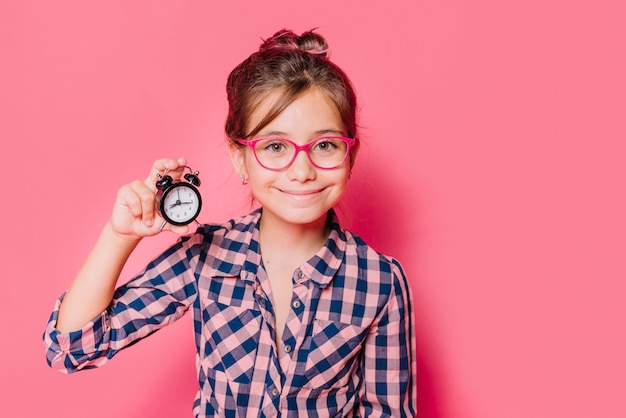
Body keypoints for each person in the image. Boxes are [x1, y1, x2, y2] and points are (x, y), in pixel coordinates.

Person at [43, 28, 416, 417]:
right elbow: (71, 349)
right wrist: (119, 236)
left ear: (349, 154)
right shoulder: (203, 257)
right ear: (240, 158)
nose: (302, 170)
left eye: (324, 145)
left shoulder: (381, 282)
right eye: (275, 147)